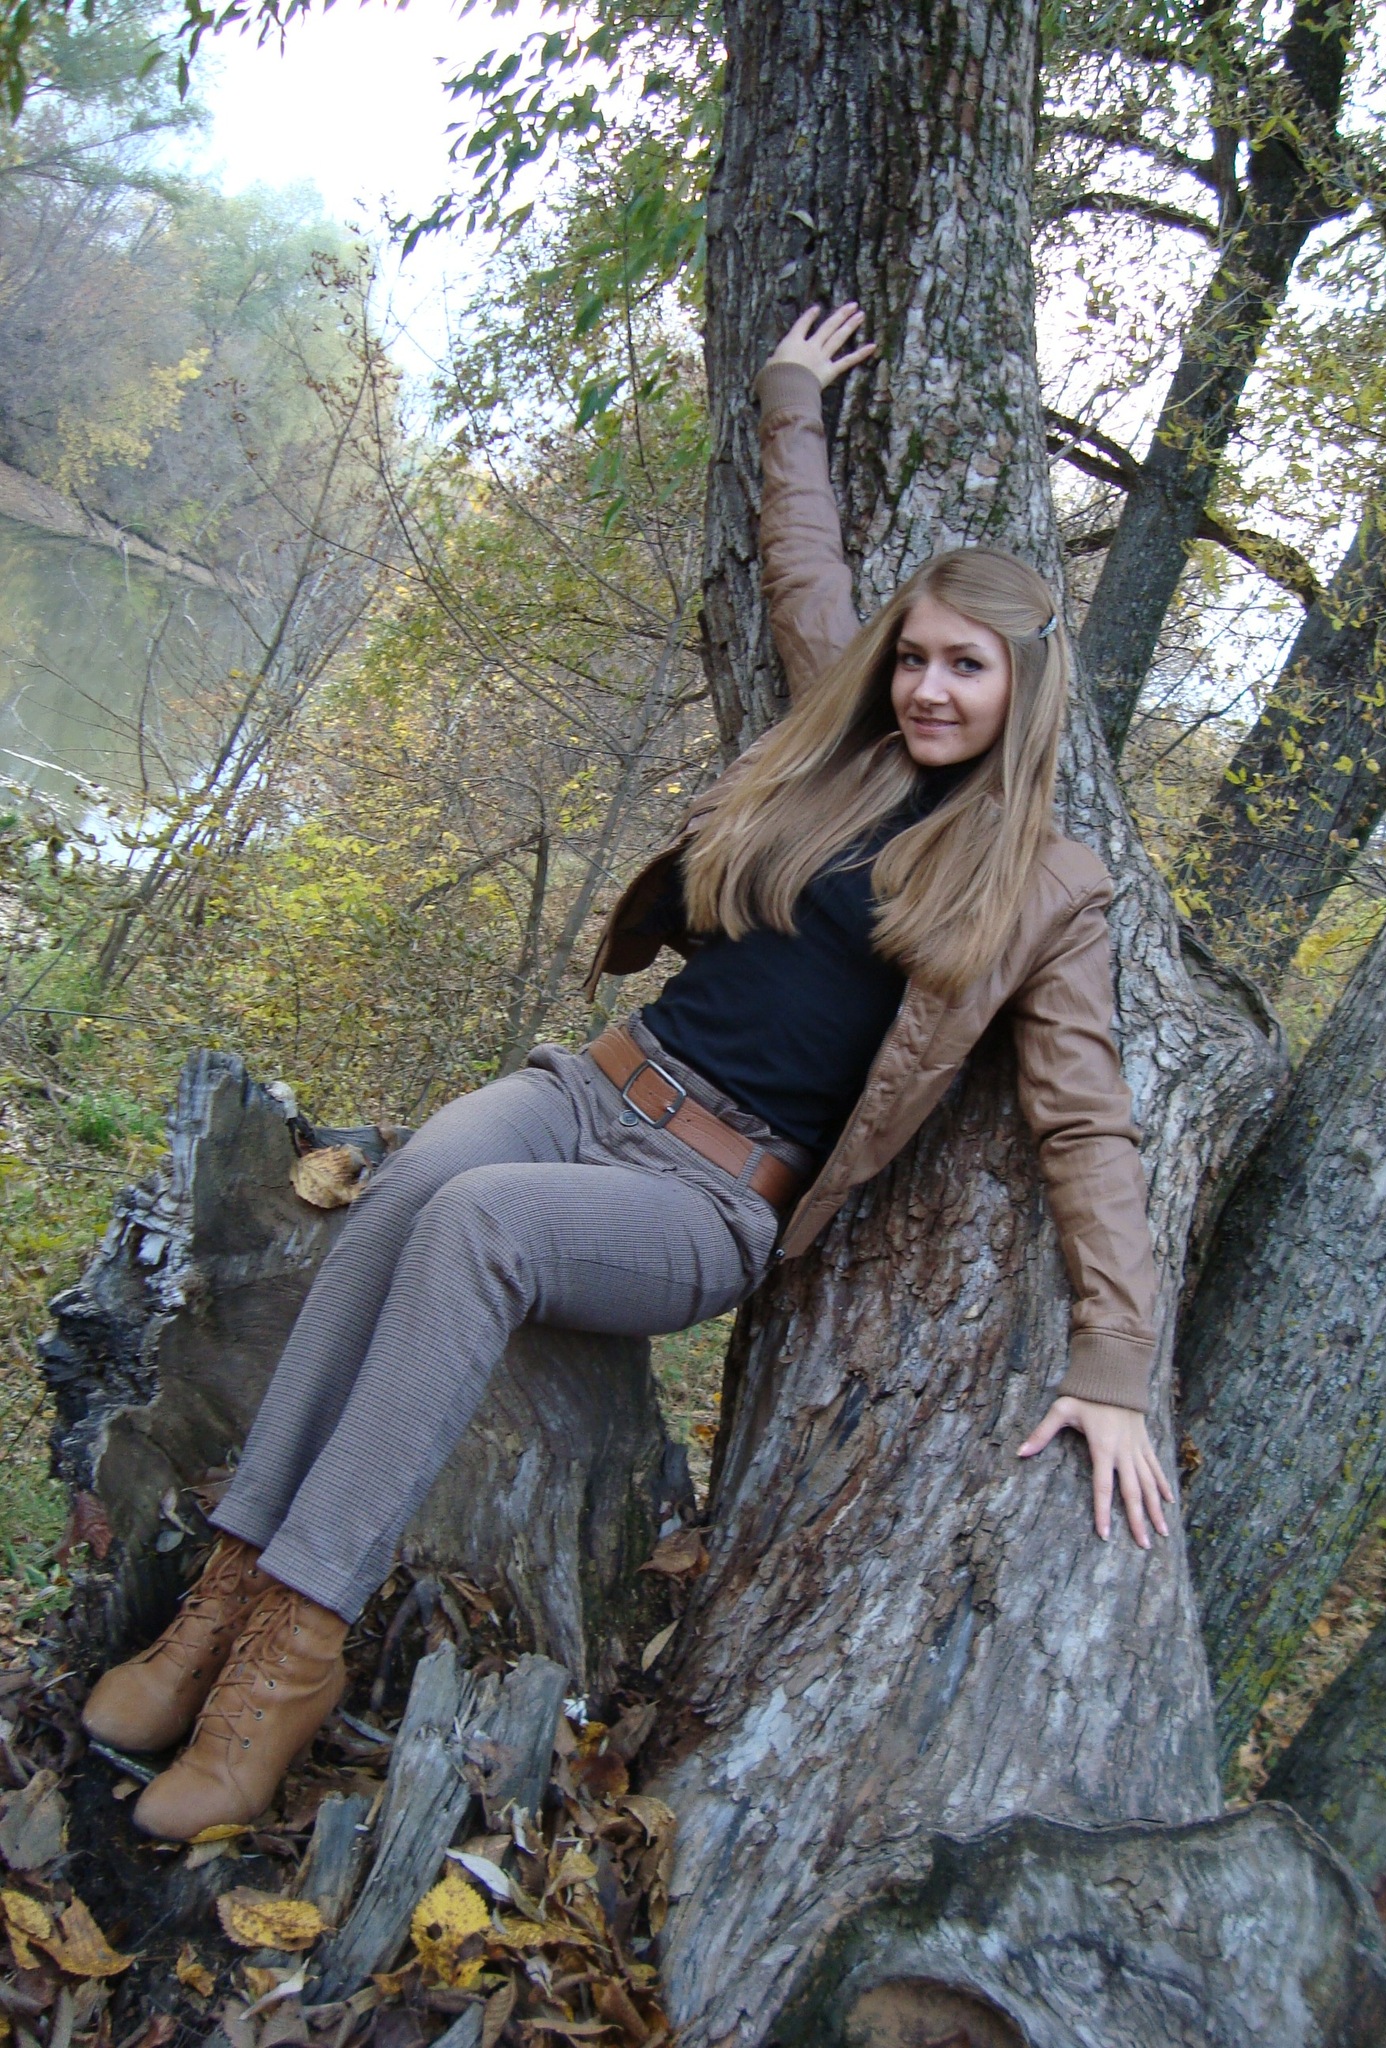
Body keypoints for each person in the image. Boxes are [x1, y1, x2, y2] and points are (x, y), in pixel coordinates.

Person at [82, 303, 1170, 1842]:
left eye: (967, 670)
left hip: (709, 1200)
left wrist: (1112, 1362)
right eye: (917, 657)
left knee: (479, 1225)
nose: (930, 689)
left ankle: (293, 1653)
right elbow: (804, 572)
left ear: (1024, 690)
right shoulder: (848, 739)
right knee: (412, 1187)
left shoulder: (1048, 886)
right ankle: (226, 1591)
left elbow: (1087, 1121)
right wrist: (789, 398)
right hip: (596, 1087)